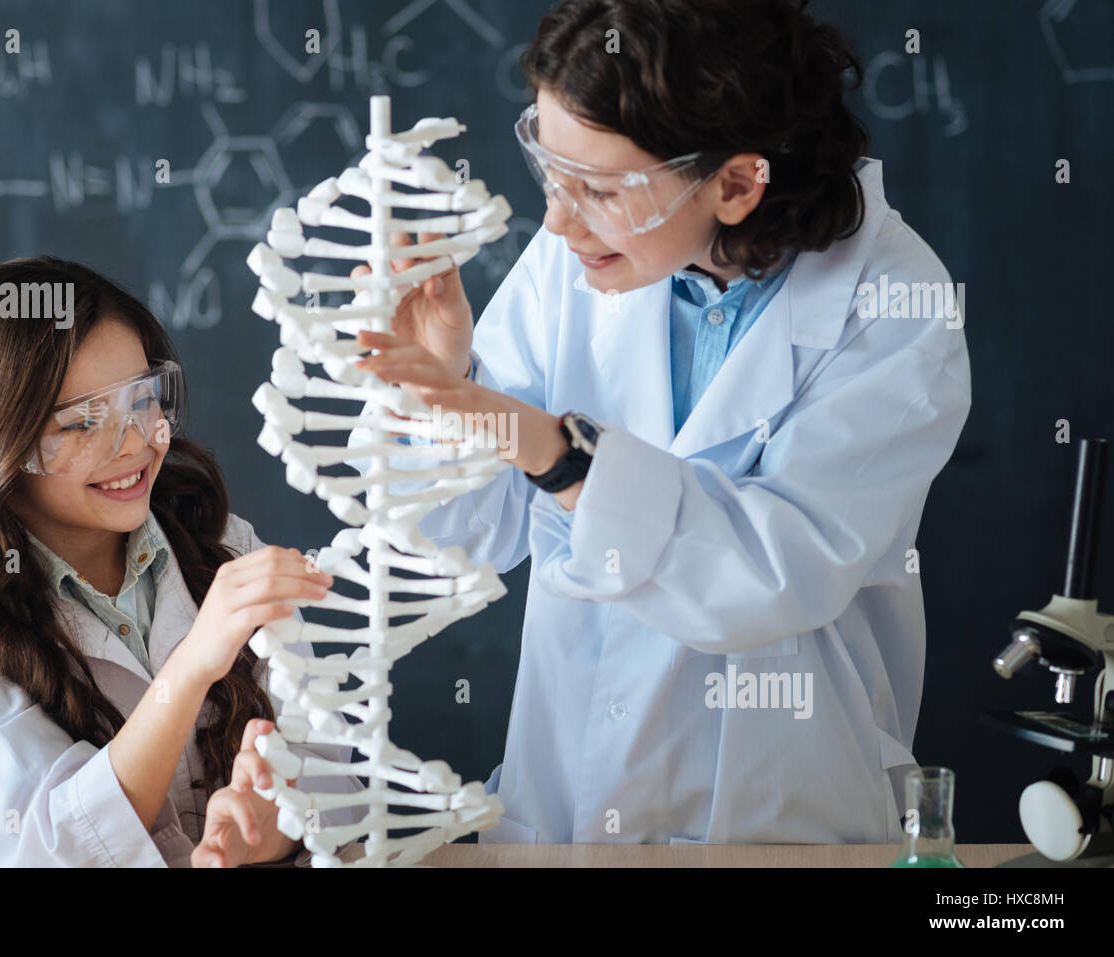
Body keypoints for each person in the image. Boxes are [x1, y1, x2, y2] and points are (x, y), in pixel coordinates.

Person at [349, 0, 971, 843]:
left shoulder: (895, 307)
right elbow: (464, 539)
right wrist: (449, 381)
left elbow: (772, 574)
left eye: (600, 189)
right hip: (564, 808)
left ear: (738, 182)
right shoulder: (580, 254)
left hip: (777, 821)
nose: (559, 221)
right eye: (553, 174)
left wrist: (560, 455)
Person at [0, 257, 358, 866]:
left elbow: (332, 775)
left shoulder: (225, 548)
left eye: (143, 400)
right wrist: (191, 666)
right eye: (84, 422)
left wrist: (268, 824)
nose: (136, 442)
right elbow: (53, 845)